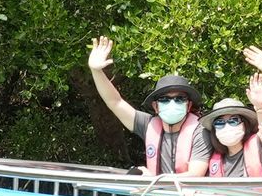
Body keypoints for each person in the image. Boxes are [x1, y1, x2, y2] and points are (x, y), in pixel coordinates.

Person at [86, 37, 212, 177]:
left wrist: (152, 179)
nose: (172, 103)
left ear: (189, 105)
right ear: (155, 106)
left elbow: (195, 175)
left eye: (179, 99)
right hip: (156, 190)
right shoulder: (148, 124)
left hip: (184, 192)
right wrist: (96, 71)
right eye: (164, 99)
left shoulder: (200, 131)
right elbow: (115, 102)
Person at [203, 97, 262, 177]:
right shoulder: (213, 160)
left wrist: (260, 106)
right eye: (219, 123)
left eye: (234, 120)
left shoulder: (260, 145)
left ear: (245, 124)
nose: (227, 126)